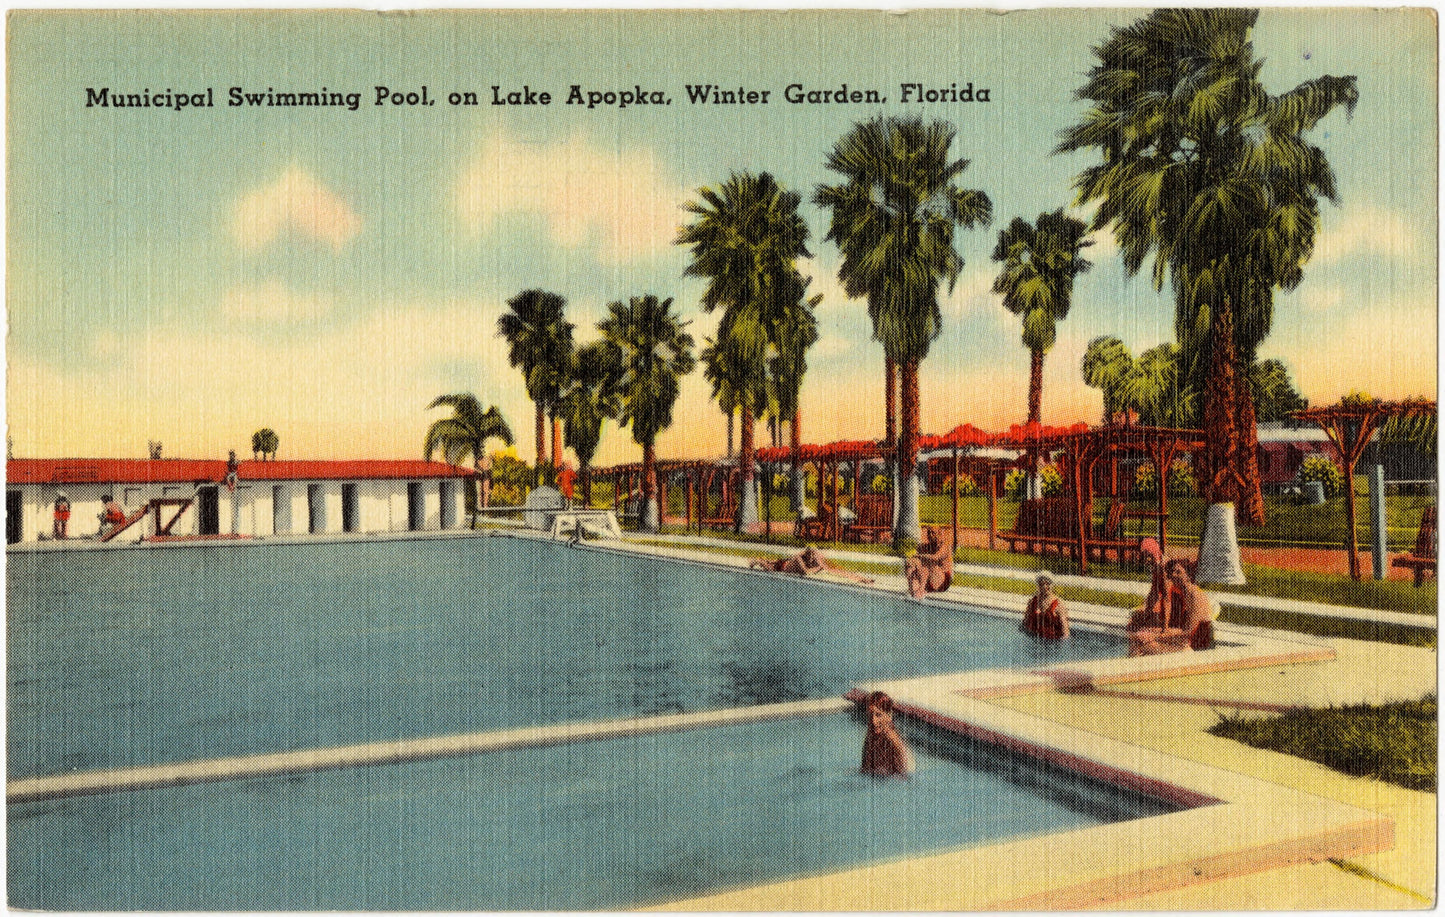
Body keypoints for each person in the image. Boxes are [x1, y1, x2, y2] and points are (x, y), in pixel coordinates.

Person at [1130, 559, 1216, 655]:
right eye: (1172, 572)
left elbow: (1187, 634)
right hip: (1188, 642)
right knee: (1138, 638)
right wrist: (1156, 632)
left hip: (1199, 648)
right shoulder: (1184, 594)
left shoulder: (1195, 596)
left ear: (1188, 575)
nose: (1173, 575)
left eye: (1178, 572)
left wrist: (1154, 637)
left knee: (1143, 645)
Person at [749, 545, 874, 584]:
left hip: (786, 564)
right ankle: (757, 560)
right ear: (807, 554)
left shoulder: (817, 558)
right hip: (782, 567)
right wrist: (819, 568)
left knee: (837, 570)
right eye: (811, 555)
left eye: (815, 555)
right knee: (767, 566)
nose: (814, 558)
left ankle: (862, 579)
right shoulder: (799, 559)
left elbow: (837, 570)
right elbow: (806, 572)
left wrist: (860, 578)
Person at [860, 690, 914, 778]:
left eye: (878, 715)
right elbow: (865, 768)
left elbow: (904, 777)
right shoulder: (871, 734)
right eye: (870, 715)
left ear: (889, 716)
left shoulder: (895, 743)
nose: (874, 721)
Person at [1127, 538, 1173, 632]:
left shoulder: (1163, 566)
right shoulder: (1157, 565)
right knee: (1154, 594)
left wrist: (1165, 627)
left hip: (1179, 602)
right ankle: (1148, 619)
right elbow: (1154, 593)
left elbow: (1166, 597)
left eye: (1144, 556)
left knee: (1165, 596)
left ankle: (1165, 626)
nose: (1143, 560)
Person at [904, 525, 954, 598]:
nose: (930, 535)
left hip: (941, 582)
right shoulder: (925, 546)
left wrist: (919, 556)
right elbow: (914, 556)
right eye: (929, 533)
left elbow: (935, 558)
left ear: (940, 534)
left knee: (930, 563)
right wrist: (912, 561)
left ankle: (921, 589)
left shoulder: (944, 546)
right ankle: (912, 589)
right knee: (912, 563)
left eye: (933, 533)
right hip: (928, 580)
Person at [1021, 571, 1069, 640]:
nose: (1044, 586)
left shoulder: (1058, 605)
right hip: (1033, 639)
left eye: (1047, 584)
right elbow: (1024, 623)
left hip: (1052, 643)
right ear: (1038, 586)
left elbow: (1065, 632)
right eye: (1041, 584)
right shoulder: (1032, 602)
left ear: (1052, 585)